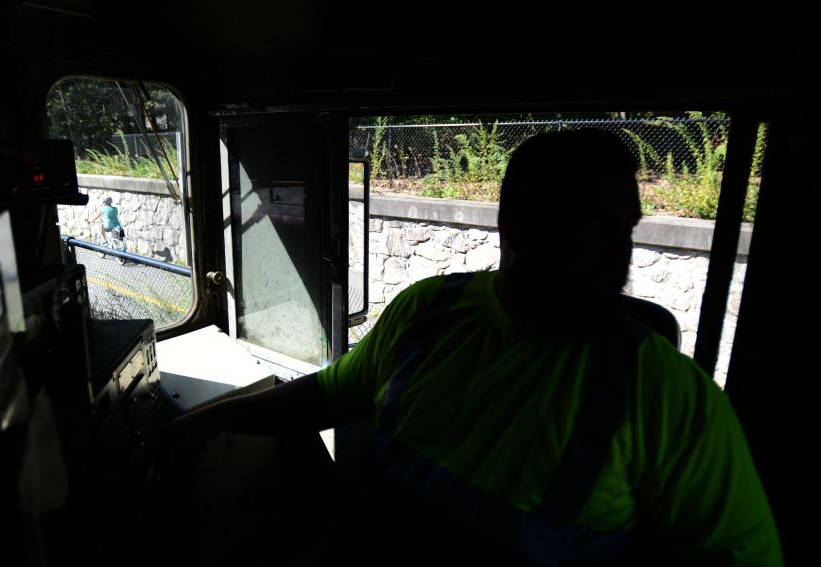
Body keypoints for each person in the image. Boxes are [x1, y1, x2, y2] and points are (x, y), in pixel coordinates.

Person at [161, 130, 782, 565]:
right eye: (583, 225)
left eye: (622, 227)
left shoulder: (670, 397)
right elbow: (329, 395)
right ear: (512, 224)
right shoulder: (428, 312)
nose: (612, 252)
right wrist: (203, 425)